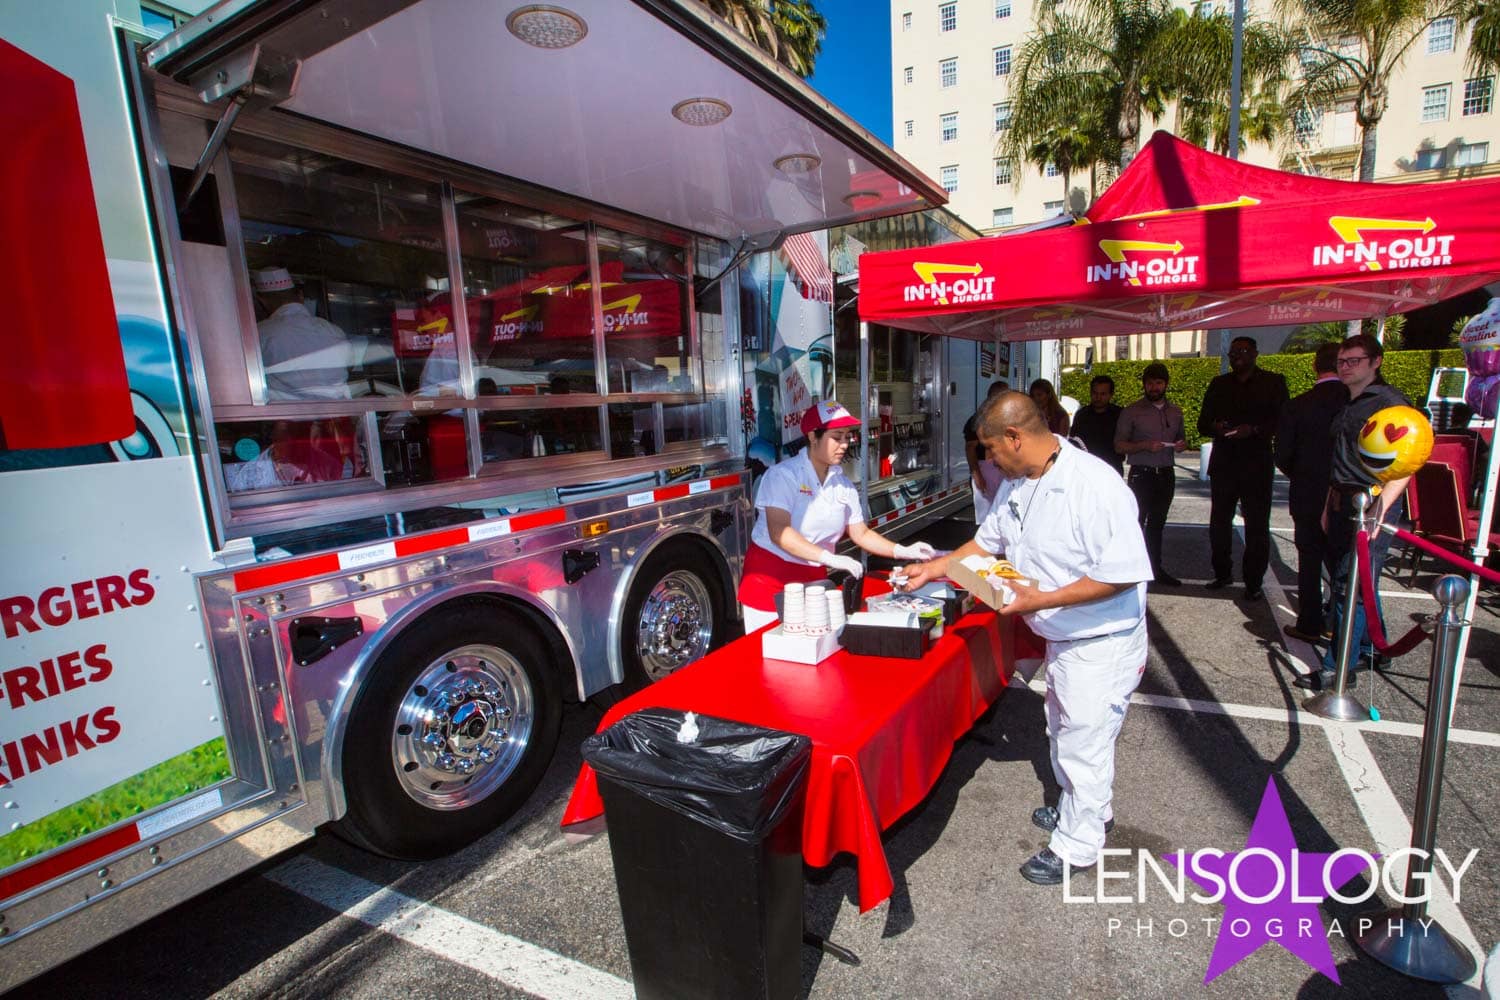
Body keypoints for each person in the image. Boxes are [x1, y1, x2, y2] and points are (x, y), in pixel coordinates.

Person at [899, 391, 1151, 885]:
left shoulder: (1093, 485)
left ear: (1015, 436)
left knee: (1085, 741)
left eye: (992, 449)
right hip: (1062, 636)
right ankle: (1083, 810)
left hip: (1101, 641)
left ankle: (1078, 845)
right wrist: (934, 568)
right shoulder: (1021, 481)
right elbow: (986, 544)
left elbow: (1123, 573)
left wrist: (1038, 600)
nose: (989, 459)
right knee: (1063, 730)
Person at [737, 400, 936, 633]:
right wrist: (830, 558)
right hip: (769, 583)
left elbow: (861, 533)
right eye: (837, 436)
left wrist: (903, 550)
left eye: (847, 436)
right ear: (813, 436)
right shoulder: (783, 475)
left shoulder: (843, 485)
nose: (844, 444)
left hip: (815, 584)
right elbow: (780, 532)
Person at [1294, 335, 1411, 691]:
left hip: (1372, 504)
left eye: (1354, 361)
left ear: (1376, 362)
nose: (1345, 367)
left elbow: (1407, 461)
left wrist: (1380, 508)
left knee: (1350, 586)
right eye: (1342, 361)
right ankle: (1371, 647)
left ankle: (1336, 668)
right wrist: (1331, 501)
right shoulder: (1349, 400)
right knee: (1355, 580)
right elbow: (1342, 458)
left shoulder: (1390, 404)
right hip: (1343, 502)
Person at [1197, 336, 1289, 601]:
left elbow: (1282, 421)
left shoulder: (1273, 382)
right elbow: (1202, 423)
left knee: (1257, 526)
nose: (1237, 355)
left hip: (1256, 463)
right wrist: (1216, 427)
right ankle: (1222, 573)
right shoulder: (1219, 384)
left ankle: (1253, 582)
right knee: (1219, 524)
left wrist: (1255, 430)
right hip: (1224, 462)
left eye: (1244, 351)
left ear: (1255, 354)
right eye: (1234, 351)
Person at [1274, 343, 1347, 644]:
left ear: (1316, 366)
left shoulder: (1298, 404)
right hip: (1346, 495)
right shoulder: (1353, 401)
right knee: (1343, 566)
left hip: (1307, 494)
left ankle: (1310, 623)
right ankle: (1343, 628)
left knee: (1309, 562)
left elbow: (1282, 455)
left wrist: (1304, 477)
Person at [1114, 363, 1187, 586]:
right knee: (1136, 522)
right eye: (1150, 383)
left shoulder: (1175, 412)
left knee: (1158, 524)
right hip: (1141, 474)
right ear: (1144, 384)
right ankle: (1130, 571)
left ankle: (1155, 568)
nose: (1154, 387)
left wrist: (1182, 445)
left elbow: (1182, 440)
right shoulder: (1132, 411)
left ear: (1165, 384)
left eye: (1158, 383)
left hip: (1165, 474)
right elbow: (1119, 445)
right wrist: (1144, 445)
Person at [252, 267, 354, 401]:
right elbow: (350, 365)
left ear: (262, 301)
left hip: (289, 418)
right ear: (300, 295)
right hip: (337, 416)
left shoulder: (260, 333)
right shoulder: (332, 329)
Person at [964, 381, 1008, 521]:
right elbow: (970, 448)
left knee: (1003, 514)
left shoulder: (1004, 418)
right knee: (987, 518)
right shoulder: (977, 420)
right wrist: (977, 474)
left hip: (1002, 470)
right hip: (985, 469)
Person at [1070, 374, 1124, 475]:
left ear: (1111, 395)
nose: (1098, 397)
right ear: (1090, 393)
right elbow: (1074, 441)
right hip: (1087, 468)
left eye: (1103, 394)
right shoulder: (1082, 414)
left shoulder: (1120, 414)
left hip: (1112, 468)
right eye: (1095, 393)